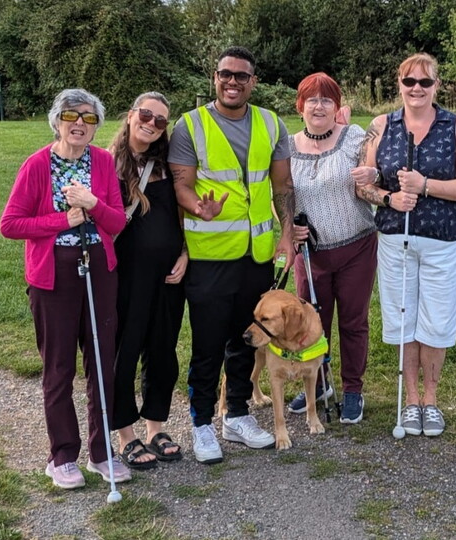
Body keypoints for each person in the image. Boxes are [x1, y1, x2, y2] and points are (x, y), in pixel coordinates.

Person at [169, 46, 295, 463]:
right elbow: (181, 185)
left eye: (242, 76)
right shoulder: (190, 126)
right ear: (215, 77)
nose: (233, 82)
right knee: (207, 345)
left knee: (246, 340)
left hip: (256, 255)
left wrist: (287, 233)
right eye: (226, 74)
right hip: (210, 256)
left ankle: (237, 415)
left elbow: (282, 187)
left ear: (253, 82)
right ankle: (202, 423)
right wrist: (196, 205)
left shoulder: (270, 123)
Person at [0, 88, 131, 489]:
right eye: (72, 116)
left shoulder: (104, 163)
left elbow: (117, 224)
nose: (80, 124)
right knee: (59, 367)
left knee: (101, 362)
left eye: (89, 119)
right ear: (57, 120)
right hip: (53, 277)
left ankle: (101, 452)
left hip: (99, 271)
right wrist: (62, 220)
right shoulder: (37, 165)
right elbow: (11, 224)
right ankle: (62, 455)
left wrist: (93, 203)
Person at [355, 53, 456, 437]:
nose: (416, 89)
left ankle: (431, 399)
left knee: (437, 323)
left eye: (425, 82)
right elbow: (362, 185)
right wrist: (390, 198)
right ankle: (411, 401)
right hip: (396, 239)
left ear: (436, 86)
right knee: (404, 320)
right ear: (400, 83)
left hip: (441, 241)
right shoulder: (381, 126)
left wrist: (425, 185)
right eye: (410, 81)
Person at [286, 73, 377, 424]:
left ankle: (352, 389)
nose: (319, 106)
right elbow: (283, 193)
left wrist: (376, 176)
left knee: (353, 321)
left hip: (356, 246)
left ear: (337, 107)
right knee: (311, 323)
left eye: (327, 99)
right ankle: (317, 382)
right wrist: (288, 226)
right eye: (312, 99)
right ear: (301, 106)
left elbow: (372, 176)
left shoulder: (354, 137)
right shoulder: (288, 145)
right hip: (310, 253)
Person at [108, 92, 188, 469]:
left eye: (160, 121)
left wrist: (185, 253)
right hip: (127, 276)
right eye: (146, 115)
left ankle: (156, 425)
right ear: (130, 115)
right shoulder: (107, 165)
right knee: (125, 351)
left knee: (162, 352)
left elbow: (180, 216)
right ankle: (125, 432)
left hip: (170, 276)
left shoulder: (167, 165)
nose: (152, 124)